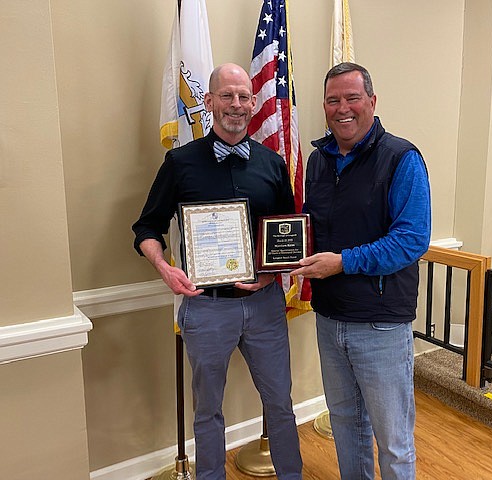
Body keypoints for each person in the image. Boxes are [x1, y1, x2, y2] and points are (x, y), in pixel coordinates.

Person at [132, 63, 302, 480]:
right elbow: (146, 229)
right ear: (208, 102)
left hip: (264, 306)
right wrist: (165, 267)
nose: (237, 105)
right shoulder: (180, 163)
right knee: (208, 409)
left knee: (280, 402)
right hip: (205, 309)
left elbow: (287, 234)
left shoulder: (272, 164)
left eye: (244, 96)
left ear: (252, 102)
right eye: (227, 95)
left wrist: (270, 275)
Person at [291, 62, 431, 480]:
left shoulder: (401, 158)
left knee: (393, 441)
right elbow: (308, 227)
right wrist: (276, 255)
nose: (343, 108)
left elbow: (411, 240)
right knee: (346, 427)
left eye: (352, 98)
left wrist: (343, 261)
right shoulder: (318, 161)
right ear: (324, 106)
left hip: (380, 325)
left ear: (372, 101)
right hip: (330, 319)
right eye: (333, 100)